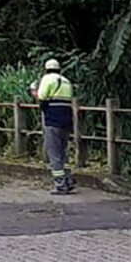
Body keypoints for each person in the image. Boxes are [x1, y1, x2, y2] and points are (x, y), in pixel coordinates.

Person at [29, 59, 75, 194]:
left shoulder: (47, 79)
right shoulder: (67, 81)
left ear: (46, 69)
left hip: (52, 120)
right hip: (66, 120)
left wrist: (33, 90)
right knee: (62, 151)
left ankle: (60, 184)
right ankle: (67, 179)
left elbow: (41, 97)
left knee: (53, 152)